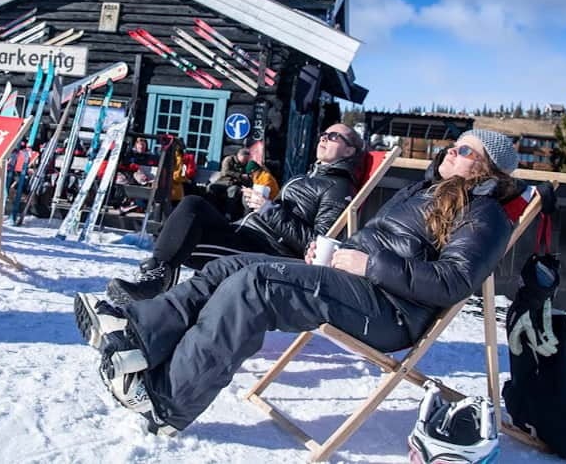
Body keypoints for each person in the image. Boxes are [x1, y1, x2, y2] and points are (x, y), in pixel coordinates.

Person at [75, 129, 521, 436]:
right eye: (452, 145)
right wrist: (332, 254)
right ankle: (139, 335)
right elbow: (376, 246)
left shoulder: (486, 216)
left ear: (489, 169)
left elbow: (452, 281)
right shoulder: (422, 191)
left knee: (256, 284)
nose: (449, 152)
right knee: (231, 267)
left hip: (393, 312)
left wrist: (366, 265)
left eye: (464, 151)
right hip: (361, 289)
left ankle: (167, 401)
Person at [106, 123, 365, 305]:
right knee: (193, 204)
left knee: (184, 238)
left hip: (267, 251)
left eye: (333, 137)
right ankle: (157, 277)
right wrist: (257, 206)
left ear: (350, 150)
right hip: (246, 232)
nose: (323, 138)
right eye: (323, 134)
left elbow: (319, 247)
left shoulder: (338, 188)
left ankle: (156, 285)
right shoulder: (310, 177)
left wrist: (268, 209)